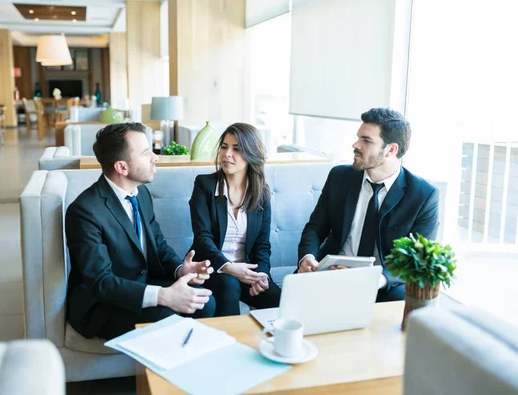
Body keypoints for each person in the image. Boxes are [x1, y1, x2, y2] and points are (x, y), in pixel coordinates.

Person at [66, 123, 215, 340]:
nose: (156, 157)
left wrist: (180, 270)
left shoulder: (141, 194)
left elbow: (159, 245)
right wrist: (163, 296)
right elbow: (101, 283)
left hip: (141, 284)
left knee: (205, 302)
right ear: (122, 167)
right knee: (166, 316)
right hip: (103, 305)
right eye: (146, 154)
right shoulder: (85, 212)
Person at [297, 108, 439, 302]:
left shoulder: (424, 195)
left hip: (383, 283)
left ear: (391, 150)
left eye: (366, 140)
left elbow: (418, 258)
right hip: (332, 273)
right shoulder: (340, 177)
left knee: (401, 301)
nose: (356, 145)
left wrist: (376, 279)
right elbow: (315, 228)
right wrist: (307, 258)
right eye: (358, 138)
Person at [189, 122, 281, 316]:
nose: (227, 154)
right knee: (229, 284)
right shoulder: (204, 185)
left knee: (277, 297)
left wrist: (262, 275)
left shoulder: (262, 193)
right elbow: (202, 238)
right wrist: (230, 267)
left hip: (246, 270)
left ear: (250, 154)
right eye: (224, 147)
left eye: (236, 149)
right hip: (213, 268)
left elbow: (262, 244)